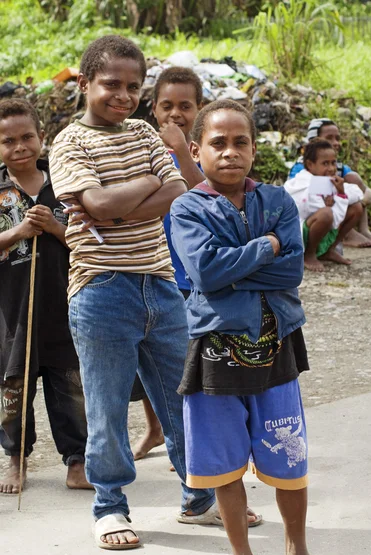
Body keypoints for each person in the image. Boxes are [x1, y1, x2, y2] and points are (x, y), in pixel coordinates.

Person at [49, 35, 228, 550]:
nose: (123, 96)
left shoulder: (147, 133)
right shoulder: (69, 143)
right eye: (111, 85)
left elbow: (177, 191)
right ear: (84, 84)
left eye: (133, 86)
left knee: (183, 398)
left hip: (161, 284)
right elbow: (98, 204)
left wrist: (116, 207)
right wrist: (118, 201)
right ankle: (109, 505)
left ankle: (197, 496)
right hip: (100, 288)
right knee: (106, 406)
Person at [171, 99, 351, 555]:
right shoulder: (187, 207)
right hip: (215, 352)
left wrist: (239, 266)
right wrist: (266, 247)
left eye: (241, 142)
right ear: (195, 150)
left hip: (277, 346)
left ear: (254, 148)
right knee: (224, 462)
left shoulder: (275, 202)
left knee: (289, 456)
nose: (230, 152)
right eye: (218, 143)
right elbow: (205, 272)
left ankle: (297, 553)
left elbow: (291, 270)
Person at [0, 98, 90, 494]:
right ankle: (15, 460)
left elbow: (91, 239)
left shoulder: (65, 183)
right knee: (13, 387)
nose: (20, 147)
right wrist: (18, 233)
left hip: (64, 302)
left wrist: (54, 227)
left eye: (27, 137)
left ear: (41, 137)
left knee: (69, 384)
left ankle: (77, 460)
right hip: (12, 309)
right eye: (8, 141)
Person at [131, 66, 205, 463]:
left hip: (192, 276)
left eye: (185, 106)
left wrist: (180, 151)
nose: (175, 114)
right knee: (148, 362)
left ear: (199, 109)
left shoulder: (206, 150)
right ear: (153, 108)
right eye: (166, 106)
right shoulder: (138, 146)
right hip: (149, 268)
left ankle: (202, 447)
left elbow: (205, 199)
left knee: (190, 365)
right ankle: (155, 428)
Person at [289, 117, 371, 248]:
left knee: (353, 178)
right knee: (330, 208)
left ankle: (363, 230)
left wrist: (360, 198)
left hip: (331, 212)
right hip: (310, 219)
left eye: (337, 138)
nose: (336, 142)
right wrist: (346, 196)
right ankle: (346, 235)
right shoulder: (301, 168)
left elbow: (361, 189)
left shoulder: (337, 166)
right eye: (329, 138)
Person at [284, 137, 364, 272]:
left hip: (322, 224)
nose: (332, 168)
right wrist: (339, 199)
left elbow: (357, 193)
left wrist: (340, 194)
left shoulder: (326, 180)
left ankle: (329, 250)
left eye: (333, 163)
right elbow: (329, 216)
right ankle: (308, 254)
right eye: (325, 163)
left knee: (356, 208)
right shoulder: (303, 183)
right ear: (310, 165)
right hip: (299, 231)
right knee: (326, 214)